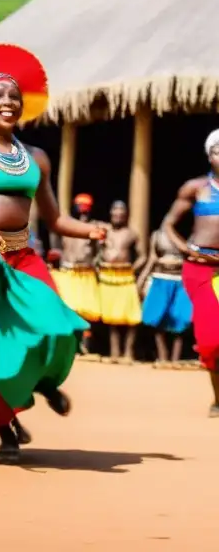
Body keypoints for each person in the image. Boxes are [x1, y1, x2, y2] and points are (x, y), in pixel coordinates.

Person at [0, 43, 106, 464]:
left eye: (14, 96)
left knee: (55, 323)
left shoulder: (37, 158)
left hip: (21, 255)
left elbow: (55, 217)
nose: (8, 101)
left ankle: (43, 382)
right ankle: (7, 432)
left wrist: (90, 229)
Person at [161, 129, 219, 417]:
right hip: (201, 269)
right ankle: (218, 398)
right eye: (218, 150)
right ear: (209, 155)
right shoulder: (196, 188)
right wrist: (187, 250)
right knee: (210, 340)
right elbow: (169, 224)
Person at [50, 193, 101, 354]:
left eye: (86, 208)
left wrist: (95, 265)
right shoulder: (66, 225)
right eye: (80, 206)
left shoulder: (94, 227)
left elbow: (98, 251)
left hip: (86, 273)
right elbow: (55, 238)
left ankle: (84, 346)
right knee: (67, 309)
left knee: (86, 311)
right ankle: (66, 346)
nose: (83, 210)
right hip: (67, 272)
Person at [137, 225, 192, 369]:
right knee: (157, 316)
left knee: (181, 317)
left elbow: (192, 257)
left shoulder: (188, 233)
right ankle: (163, 356)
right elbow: (152, 258)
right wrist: (141, 280)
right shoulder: (157, 235)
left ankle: (175, 360)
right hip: (160, 278)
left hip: (181, 280)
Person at [97, 200, 145, 364]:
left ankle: (128, 352)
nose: (118, 214)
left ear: (126, 215)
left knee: (132, 314)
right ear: (110, 213)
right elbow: (94, 250)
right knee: (112, 315)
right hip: (108, 275)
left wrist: (133, 269)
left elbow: (143, 256)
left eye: (121, 211)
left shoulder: (132, 233)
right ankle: (115, 352)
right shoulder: (104, 231)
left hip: (126, 275)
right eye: (115, 210)